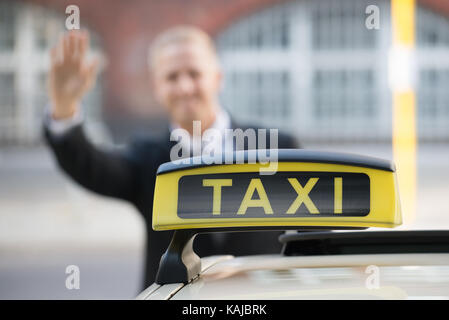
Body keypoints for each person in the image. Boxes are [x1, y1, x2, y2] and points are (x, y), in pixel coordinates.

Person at [44, 25, 300, 289]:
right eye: (172, 77)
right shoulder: (147, 159)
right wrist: (64, 111)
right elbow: (92, 167)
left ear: (218, 77)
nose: (185, 86)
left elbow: (312, 238)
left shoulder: (278, 149)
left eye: (194, 73)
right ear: (157, 87)